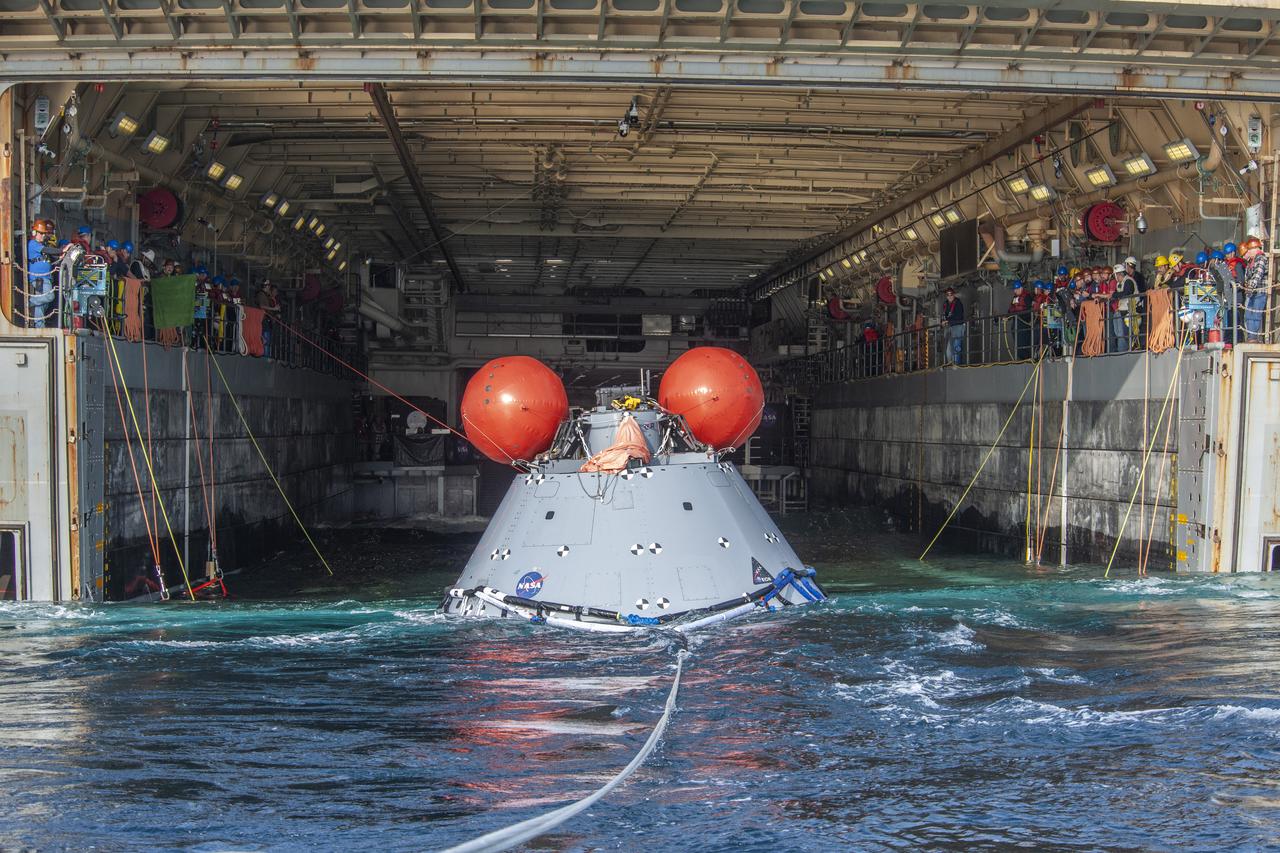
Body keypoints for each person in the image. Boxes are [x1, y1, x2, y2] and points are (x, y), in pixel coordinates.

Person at [26, 219, 60, 328]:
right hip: (38, 279)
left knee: (42, 305)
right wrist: (62, 250)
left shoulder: (41, 245)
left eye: (44, 234)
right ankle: (29, 303)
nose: (42, 236)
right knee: (48, 297)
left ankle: (39, 325)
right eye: (40, 233)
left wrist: (61, 255)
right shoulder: (33, 244)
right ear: (34, 233)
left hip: (46, 278)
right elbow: (47, 250)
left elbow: (51, 256)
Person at [1241, 236, 1269, 342]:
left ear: (1255, 249)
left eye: (1249, 250)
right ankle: (1251, 336)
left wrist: (1250, 286)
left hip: (1260, 291)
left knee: (1255, 314)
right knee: (1249, 315)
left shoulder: (1261, 258)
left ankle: (1253, 337)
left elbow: (1258, 273)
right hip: (1253, 292)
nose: (1248, 252)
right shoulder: (1251, 261)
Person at [1112, 262, 1136, 352]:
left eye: (1116, 275)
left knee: (1123, 332)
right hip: (1122, 310)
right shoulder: (1120, 283)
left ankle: (1123, 349)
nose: (1116, 277)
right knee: (1118, 332)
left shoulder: (1128, 281)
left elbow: (1126, 293)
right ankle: (1122, 348)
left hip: (1131, 310)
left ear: (1119, 274)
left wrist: (1115, 294)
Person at [1007, 279, 1032, 359]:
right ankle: (1021, 358)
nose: (1015, 291)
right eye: (1014, 289)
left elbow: (1029, 311)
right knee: (1018, 343)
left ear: (1021, 288)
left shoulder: (1027, 297)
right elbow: (1011, 309)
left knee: (1023, 343)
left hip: (1024, 324)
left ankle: (1026, 358)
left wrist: (1020, 316)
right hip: (1016, 324)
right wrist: (1007, 317)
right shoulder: (1015, 298)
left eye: (1016, 289)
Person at [942, 287, 965, 365]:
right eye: (948, 294)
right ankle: (950, 363)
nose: (949, 296)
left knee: (957, 347)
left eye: (951, 294)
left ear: (954, 294)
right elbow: (944, 316)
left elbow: (959, 317)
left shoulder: (958, 303)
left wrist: (948, 321)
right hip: (949, 328)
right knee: (948, 349)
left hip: (957, 327)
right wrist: (943, 321)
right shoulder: (946, 304)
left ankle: (957, 364)